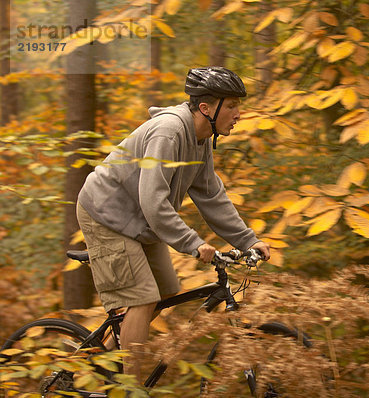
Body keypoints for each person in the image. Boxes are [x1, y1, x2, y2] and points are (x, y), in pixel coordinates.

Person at [76, 66, 270, 384]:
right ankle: (131, 390)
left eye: (238, 105)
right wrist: (193, 243)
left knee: (167, 291)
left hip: (140, 221)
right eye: (232, 105)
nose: (238, 113)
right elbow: (153, 201)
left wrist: (247, 240)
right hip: (107, 214)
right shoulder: (168, 132)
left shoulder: (201, 138)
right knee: (142, 297)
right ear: (206, 108)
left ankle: (104, 358)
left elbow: (210, 194)